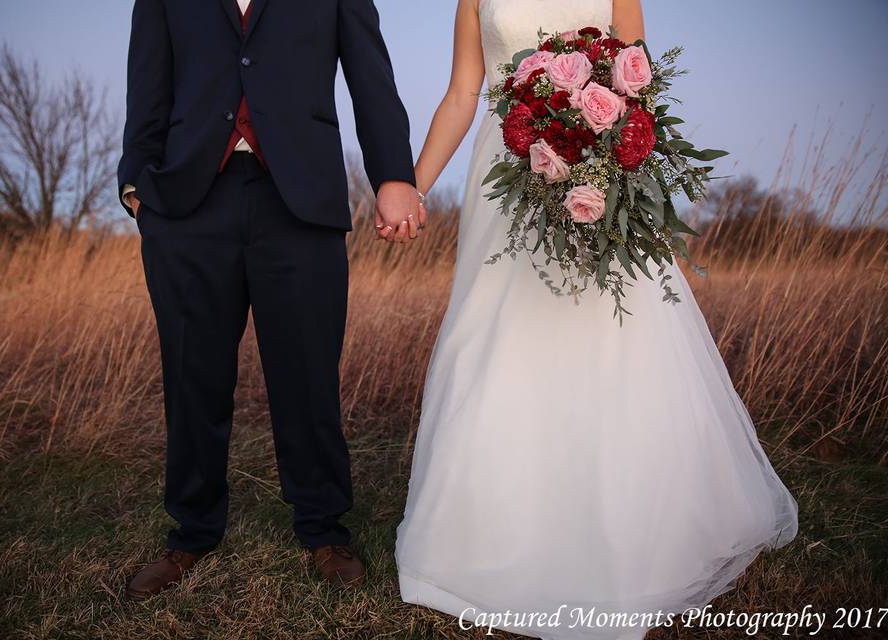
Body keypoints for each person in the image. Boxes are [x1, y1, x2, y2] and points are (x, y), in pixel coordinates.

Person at [395, 1, 799, 637]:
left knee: (607, 336)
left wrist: (608, 159)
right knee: (498, 333)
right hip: (504, 177)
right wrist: (412, 187)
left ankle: (624, 523)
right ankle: (489, 526)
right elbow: (462, 92)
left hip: (597, 173)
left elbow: (640, 85)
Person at [117, 0, 422, 601]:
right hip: (187, 205)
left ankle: (323, 529)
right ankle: (192, 533)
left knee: (308, 374)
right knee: (191, 373)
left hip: (302, 201)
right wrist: (137, 185)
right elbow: (146, 81)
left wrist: (393, 175)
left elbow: (371, 77)